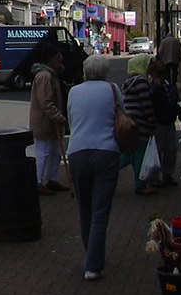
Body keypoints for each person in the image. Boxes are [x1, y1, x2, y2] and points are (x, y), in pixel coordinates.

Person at [66, 54, 121, 282]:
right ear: (105, 71)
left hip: (77, 151)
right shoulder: (112, 89)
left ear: (85, 71)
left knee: (85, 209)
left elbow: (71, 121)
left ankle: (91, 254)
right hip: (106, 152)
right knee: (100, 211)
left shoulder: (73, 91)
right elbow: (121, 115)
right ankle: (93, 265)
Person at [28, 41, 69, 195]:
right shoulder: (44, 76)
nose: (61, 59)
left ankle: (51, 179)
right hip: (45, 123)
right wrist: (59, 117)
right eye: (58, 56)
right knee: (43, 153)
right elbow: (46, 102)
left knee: (55, 152)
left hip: (53, 123)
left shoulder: (52, 74)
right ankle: (38, 182)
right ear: (50, 58)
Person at [121, 54, 159, 195]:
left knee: (128, 154)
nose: (151, 66)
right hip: (141, 124)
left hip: (131, 122)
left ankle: (103, 173)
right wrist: (152, 124)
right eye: (149, 63)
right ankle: (140, 184)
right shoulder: (141, 82)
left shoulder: (129, 82)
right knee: (139, 155)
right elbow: (146, 105)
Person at [150, 59, 181, 187]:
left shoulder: (169, 85)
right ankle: (155, 177)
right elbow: (151, 102)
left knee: (171, 150)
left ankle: (167, 174)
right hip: (158, 122)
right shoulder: (153, 87)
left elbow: (176, 101)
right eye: (159, 72)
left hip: (169, 121)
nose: (163, 75)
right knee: (158, 150)